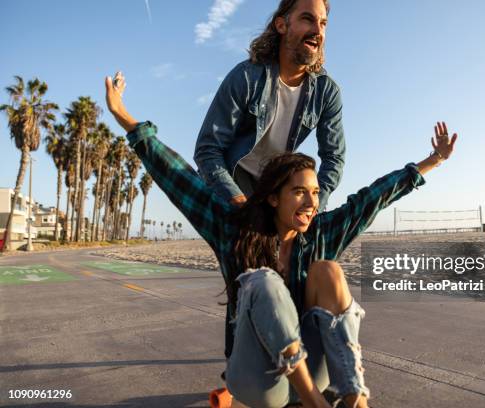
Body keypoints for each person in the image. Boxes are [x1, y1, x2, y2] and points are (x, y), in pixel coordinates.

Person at [105, 74, 457, 408]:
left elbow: (372, 198)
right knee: (264, 281)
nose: (311, 202)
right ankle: (314, 402)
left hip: (312, 369)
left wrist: (433, 161)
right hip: (260, 379)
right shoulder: (236, 228)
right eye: (300, 192)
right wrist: (122, 114)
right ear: (274, 197)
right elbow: (176, 175)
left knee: (328, 271)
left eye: (316, 193)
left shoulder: (320, 233)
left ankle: (355, 400)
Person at [194, 0, 345, 211]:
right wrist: (238, 201)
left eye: (323, 23)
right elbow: (207, 150)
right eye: (307, 19)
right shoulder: (246, 77)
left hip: (277, 184)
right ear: (281, 25)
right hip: (234, 180)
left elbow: (334, 158)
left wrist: (313, 207)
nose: (317, 30)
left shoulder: (326, 92)